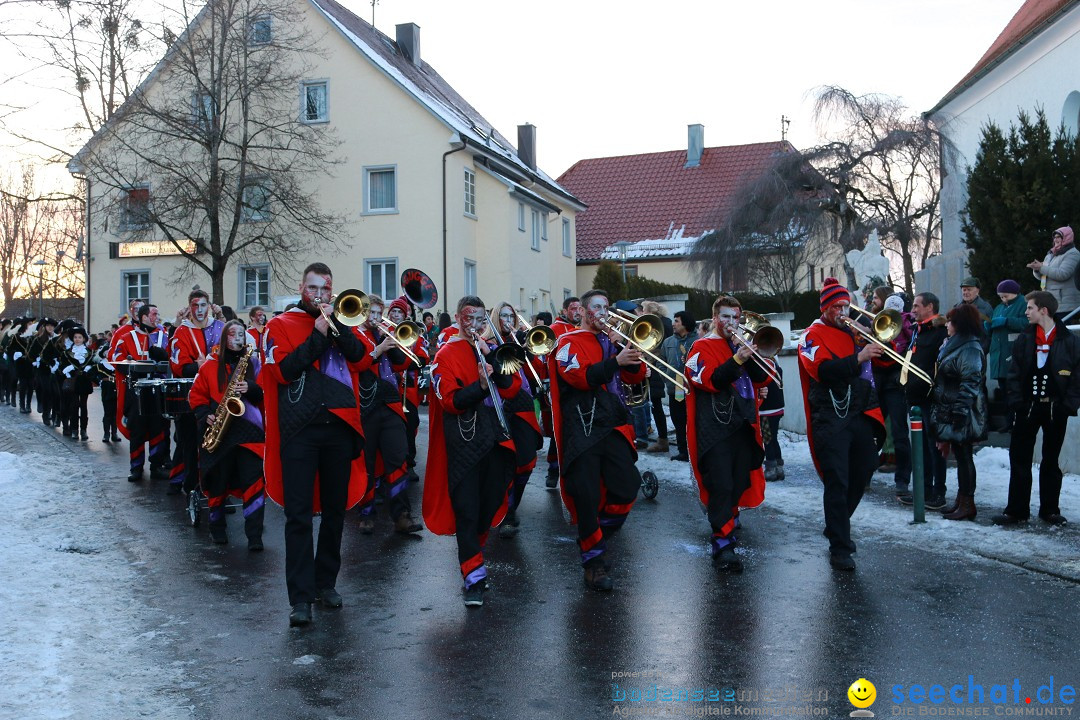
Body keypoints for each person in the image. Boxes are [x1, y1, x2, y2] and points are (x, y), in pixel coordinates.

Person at [260, 262, 369, 627]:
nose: (319, 296)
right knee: (299, 516)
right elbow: (284, 371)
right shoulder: (279, 325)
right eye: (313, 289)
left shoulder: (343, 320)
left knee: (336, 512)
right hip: (299, 431)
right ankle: (300, 598)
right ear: (300, 288)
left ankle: (326, 584)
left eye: (325, 290)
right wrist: (318, 336)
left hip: (338, 427)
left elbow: (361, 358)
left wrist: (338, 328)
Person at [423, 296, 519, 606]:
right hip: (463, 441)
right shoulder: (445, 353)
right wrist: (478, 386)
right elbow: (448, 401)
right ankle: (474, 578)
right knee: (466, 511)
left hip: (494, 439)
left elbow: (512, 389)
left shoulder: (489, 348)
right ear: (457, 317)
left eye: (480, 318)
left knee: (487, 508)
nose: (475, 324)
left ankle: (472, 559)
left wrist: (494, 358)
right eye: (470, 318)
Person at [549, 289, 646, 591]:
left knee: (628, 485)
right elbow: (578, 377)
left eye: (606, 307)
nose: (603, 312)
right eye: (596, 307)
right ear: (581, 312)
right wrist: (616, 360)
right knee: (587, 497)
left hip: (613, 424)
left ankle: (594, 538)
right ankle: (594, 563)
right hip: (583, 426)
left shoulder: (611, 340)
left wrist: (628, 358)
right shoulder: (566, 343)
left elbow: (635, 376)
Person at [797, 278, 885, 571]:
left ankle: (837, 525)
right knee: (838, 480)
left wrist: (875, 345)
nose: (843, 311)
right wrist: (858, 357)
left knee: (865, 470)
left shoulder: (853, 332)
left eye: (846, 305)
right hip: (829, 416)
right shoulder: (811, 335)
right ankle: (840, 547)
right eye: (837, 306)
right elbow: (821, 370)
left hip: (858, 412)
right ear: (825, 308)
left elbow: (880, 364)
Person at [685, 296, 767, 572]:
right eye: (726, 317)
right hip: (715, 427)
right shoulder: (701, 346)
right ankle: (722, 545)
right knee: (720, 484)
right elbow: (711, 381)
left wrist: (748, 354)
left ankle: (727, 529)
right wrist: (736, 359)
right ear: (715, 318)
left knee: (737, 481)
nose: (731, 323)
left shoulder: (741, 345)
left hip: (742, 424)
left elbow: (763, 379)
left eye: (735, 318)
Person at [992, 291, 1080, 527]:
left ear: (1044, 310)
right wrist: (1017, 402)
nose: (1026, 312)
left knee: (1051, 460)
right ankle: (1016, 510)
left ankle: (1050, 510)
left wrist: (1068, 405)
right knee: (1019, 457)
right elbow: (1015, 373)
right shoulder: (1025, 338)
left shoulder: (1069, 340)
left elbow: (1077, 377)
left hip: (1055, 408)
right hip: (1027, 407)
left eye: (1030, 308)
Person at [188, 320, 265, 549]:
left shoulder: (253, 363)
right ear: (223, 339)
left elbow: (266, 393)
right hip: (220, 432)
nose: (238, 339)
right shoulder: (210, 366)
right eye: (232, 335)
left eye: (241, 335)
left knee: (254, 482)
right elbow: (196, 395)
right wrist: (205, 416)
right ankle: (217, 528)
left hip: (249, 432)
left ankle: (254, 536)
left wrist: (250, 388)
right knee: (218, 482)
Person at [352, 294, 423, 536]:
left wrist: (388, 342)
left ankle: (401, 515)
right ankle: (366, 513)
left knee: (397, 457)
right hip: (365, 404)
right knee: (368, 461)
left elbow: (402, 363)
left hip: (390, 403)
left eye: (377, 313)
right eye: (370, 313)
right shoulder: (353, 333)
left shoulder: (384, 332)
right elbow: (358, 363)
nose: (375, 318)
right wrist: (378, 347)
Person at [927, 304, 988, 520]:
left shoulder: (970, 347)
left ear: (959, 324)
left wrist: (959, 414)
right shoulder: (956, 344)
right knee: (962, 457)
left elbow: (970, 383)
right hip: (953, 409)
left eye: (950, 322)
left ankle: (967, 503)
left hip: (963, 412)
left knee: (964, 457)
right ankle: (961, 500)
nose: (947, 325)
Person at [488, 301, 543, 539]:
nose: (508, 321)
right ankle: (506, 512)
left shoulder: (520, 342)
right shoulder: (488, 344)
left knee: (526, 462)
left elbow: (537, 371)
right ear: (496, 318)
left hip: (523, 406)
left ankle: (511, 505)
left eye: (512, 316)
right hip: (499, 407)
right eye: (504, 316)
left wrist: (529, 349)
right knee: (504, 464)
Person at [169, 290, 225, 495]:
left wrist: (208, 364)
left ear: (209, 306)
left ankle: (219, 491)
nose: (199, 310)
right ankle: (192, 487)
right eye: (195, 305)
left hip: (218, 395)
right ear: (189, 307)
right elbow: (178, 366)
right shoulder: (182, 332)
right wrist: (198, 366)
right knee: (190, 444)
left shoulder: (220, 328)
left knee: (219, 444)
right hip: (191, 396)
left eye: (203, 305)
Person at [901, 292, 949, 509]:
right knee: (919, 447)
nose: (913, 310)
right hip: (915, 397)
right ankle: (923, 490)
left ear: (930, 307)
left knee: (933, 448)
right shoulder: (917, 331)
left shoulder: (939, 332)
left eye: (917, 306)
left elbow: (939, 364)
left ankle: (938, 492)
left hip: (930, 398)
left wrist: (927, 382)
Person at [112, 304, 170, 481]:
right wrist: (132, 365)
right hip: (135, 390)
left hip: (159, 390)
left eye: (158, 314)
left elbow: (172, 358)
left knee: (159, 429)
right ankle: (136, 467)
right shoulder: (126, 337)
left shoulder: (164, 336)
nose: (157, 317)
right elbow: (115, 358)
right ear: (144, 317)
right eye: (154, 314)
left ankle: (157, 465)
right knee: (137, 430)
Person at [986, 279, 1028, 431]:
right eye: (1001, 297)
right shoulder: (998, 307)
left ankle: (1014, 421)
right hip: (999, 355)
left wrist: (1007, 321)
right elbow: (993, 326)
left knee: (1014, 391)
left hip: (1012, 353)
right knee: (1004, 391)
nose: (1003, 299)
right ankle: (1008, 421)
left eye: (1006, 296)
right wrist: (988, 326)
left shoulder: (1023, 304)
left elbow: (1026, 323)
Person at [659, 309, 697, 461]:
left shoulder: (698, 341)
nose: (673, 324)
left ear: (685, 324)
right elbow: (661, 362)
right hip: (676, 386)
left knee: (693, 419)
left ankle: (695, 449)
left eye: (677, 321)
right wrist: (666, 377)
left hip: (693, 388)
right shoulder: (668, 342)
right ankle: (683, 450)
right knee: (678, 419)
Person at [1027, 226, 1080, 320]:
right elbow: (1043, 276)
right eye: (1054, 237)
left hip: (1066, 305)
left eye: (1059, 237)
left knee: (1065, 332)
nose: (1056, 239)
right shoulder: (1051, 254)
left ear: (1067, 237)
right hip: (1051, 303)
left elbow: (1063, 274)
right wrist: (1036, 270)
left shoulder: (1072, 253)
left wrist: (1041, 267)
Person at [640, 300, 672, 454]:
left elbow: (656, 345)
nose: (641, 313)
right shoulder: (665, 322)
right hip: (655, 366)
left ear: (651, 311)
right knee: (657, 404)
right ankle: (663, 439)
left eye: (643, 310)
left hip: (656, 367)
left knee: (656, 404)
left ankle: (663, 440)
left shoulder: (660, 324)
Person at [59, 326, 95, 440]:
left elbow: (94, 365)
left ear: (84, 339)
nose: (77, 339)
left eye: (80, 337)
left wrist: (89, 369)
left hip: (84, 381)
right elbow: (62, 366)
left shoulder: (90, 352)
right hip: (73, 382)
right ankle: (74, 429)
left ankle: (83, 430)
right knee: (74, 406)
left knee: (83, 406)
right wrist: (68, 370)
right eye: (75, 337)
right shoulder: (67, 353)